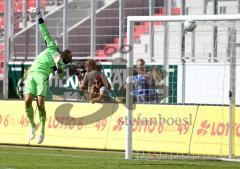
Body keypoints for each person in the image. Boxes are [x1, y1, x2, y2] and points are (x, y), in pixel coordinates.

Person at [24, 8, 72, 144]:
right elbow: (44, 31)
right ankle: (32, 126)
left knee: (40, 104)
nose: (68, 54)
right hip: (32, 73)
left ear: (66, 59)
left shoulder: (61, 64)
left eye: (69, 56)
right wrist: (39, 16)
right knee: (27, 101)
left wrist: (57, 66)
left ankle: (42, 131)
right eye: (68, 53)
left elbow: (62, 76)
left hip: (42, 77)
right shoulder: (52, 47)